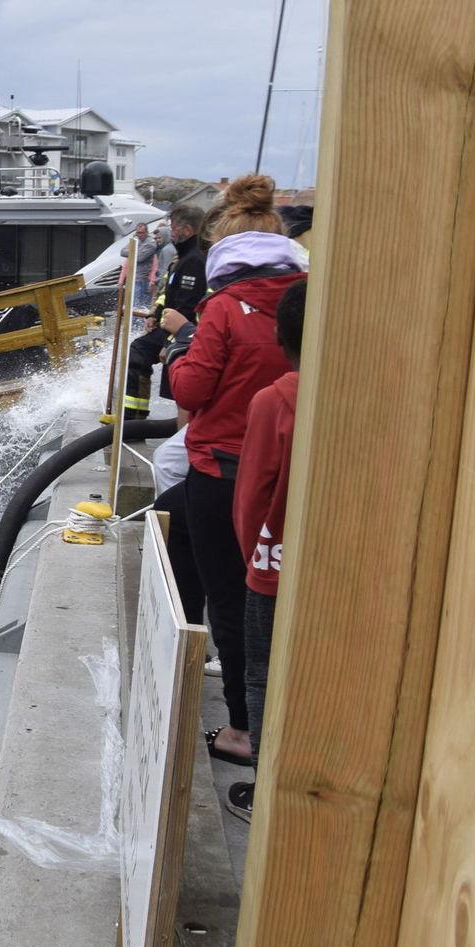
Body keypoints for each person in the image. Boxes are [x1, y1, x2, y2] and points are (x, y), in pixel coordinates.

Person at [168, 174, 307, 768]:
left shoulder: (222, 309)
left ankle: (243, 727)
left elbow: (192, 389)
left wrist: (179, 351)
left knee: (230, 600)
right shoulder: (310, 296)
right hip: (299, 469)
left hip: (225, 472)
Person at [226, 278, 307, 815]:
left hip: (273, 568)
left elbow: (251, 495)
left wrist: (252, 557)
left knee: (264, 675)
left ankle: (265, 789)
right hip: (338, 572)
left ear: (281, 335)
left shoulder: (274, 399)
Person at [123, 205, 208, 417]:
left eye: (174, 227)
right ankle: (133, 417)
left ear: (187, 230)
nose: (171, 232)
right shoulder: (181, 259)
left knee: (139, 351)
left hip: (184, 333)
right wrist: (155, 314)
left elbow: (187, 307)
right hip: (170, 325)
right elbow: (168, 294)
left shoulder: (195, 261)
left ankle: (134, 418)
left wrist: (171, 340)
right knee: (137, 353)